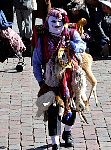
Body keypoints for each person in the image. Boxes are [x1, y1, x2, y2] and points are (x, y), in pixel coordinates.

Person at [32, 8, 86, 150]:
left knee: (72, 109)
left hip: (72, 80)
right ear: (47, 22)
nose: (56, 24)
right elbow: (36, 62)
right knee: (53, 110)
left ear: (65, 21)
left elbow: (82, 45)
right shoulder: (42, 39)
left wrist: (74, 46)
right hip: (51, 81)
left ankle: (67, 133)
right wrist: (40, 81)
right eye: (53, 21)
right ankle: (55, 142)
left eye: (59, 21)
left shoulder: (71, 33)